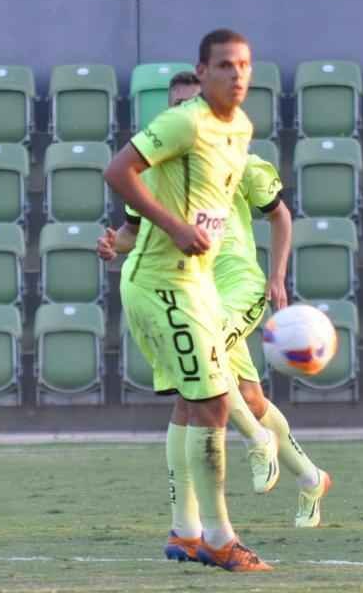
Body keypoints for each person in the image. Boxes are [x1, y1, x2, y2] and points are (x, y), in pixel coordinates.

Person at [99, 72, 332, 531]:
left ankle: (254, 442)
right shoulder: (157, 172)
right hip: (193, 290)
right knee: (249, 396)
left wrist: (278, 276)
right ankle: (310, 477)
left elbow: (281, 217)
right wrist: (114, 246)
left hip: (239, 282)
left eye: (194, 103)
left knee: (207, 380)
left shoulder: (239, 160)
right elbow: (131, 233)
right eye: (178, 106)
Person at [103, 30, 270, 572]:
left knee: (195, 402)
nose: (237, 74)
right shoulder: (183, 121)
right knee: (216, 402)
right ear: (203, 71)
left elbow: (207, 207)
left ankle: (186, 533)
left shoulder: (240, 128)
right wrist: (173, 228)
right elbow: (117, 171)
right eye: (225, 65)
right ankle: (220, 539)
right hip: (161, 281)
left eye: (244, 64)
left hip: (194, 281)